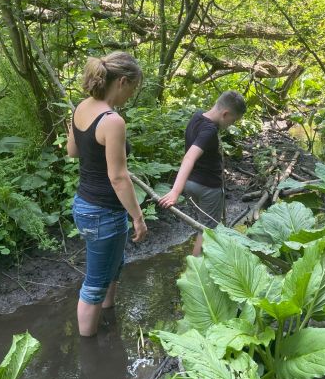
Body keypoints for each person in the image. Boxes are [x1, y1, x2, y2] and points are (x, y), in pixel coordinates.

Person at [67, 51, 147, 337]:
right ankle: (88, 351)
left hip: (83, 204)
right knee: (95, 282)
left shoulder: (81, 107)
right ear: (122, 82)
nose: (131, 95)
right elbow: (118, 177)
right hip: (104, 212)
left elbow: (72, 151)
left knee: (114, 264)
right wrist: (138, 217)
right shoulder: (112, 121)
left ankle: (108, 316)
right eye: (133, 89)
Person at [158, 90, 246, 256]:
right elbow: (190, 157)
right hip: (207, 188)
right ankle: (196, 272)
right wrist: (175, 192)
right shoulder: (209, 130)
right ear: (225, 113)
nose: (231, 124)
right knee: (207, 232)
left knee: (201, 224)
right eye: (232, 120)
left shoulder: (197, 116)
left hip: (191, 184)